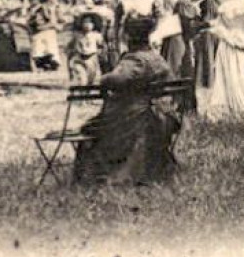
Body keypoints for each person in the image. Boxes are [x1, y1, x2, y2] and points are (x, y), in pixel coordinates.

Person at [72, 15, 183, 186]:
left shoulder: (135, 60)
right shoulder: (156, 57)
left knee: (90, 128)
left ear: (129, 37)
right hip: (165, 116)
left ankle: (94, 175)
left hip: (135, 118)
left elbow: (115, 79)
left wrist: (105, 76)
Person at [28, 0, 70, 73]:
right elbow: (37, 20)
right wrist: (50, 22)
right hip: (41, 29)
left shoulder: (57, 8)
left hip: (50, 30)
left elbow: (61, 19)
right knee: (39, 47)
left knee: (50, 46)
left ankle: (51, 64)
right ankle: (41, 65)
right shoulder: (42, 7)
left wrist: (60, 22)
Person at [67, 12, 105, 86]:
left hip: (91, 58)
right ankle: (81, 91)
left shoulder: (97, 35)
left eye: (90, 23)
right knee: (82, 79)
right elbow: (70, 48)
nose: (87, 25)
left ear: (94, 25)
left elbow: (101, 46)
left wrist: (100, 52)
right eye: (85, 22)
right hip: (79, 58)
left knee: (90, 80)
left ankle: (86, 93)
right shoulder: (77, 35)